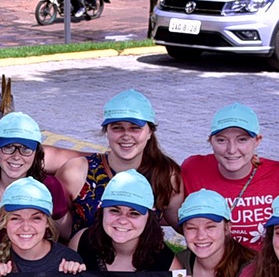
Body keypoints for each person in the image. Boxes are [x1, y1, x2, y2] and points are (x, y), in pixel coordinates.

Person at [51, 89, 184, 230]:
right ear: (106, 131)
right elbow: (58, 230)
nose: (126, 135)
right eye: (117, 128)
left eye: (135, 128)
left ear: (150, 132)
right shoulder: (77, 171)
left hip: (143, 252)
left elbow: (181, 225)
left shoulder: (165, 174)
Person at [178, 104, 279, 247]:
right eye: (221, 140)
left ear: (257, 140)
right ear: (210, 141)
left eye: (242, 139)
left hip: (264, 265)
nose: (231, 150)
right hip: (212, 260)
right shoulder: (193, 169)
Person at [0, 111, 72, 241]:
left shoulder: (50, 186)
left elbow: (67, 233)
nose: (16, 156)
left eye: (25, 149)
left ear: (36, 153)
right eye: (8, 147)